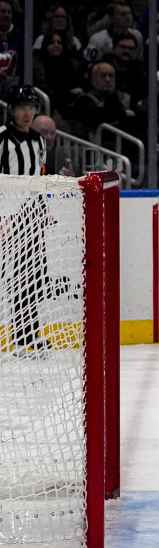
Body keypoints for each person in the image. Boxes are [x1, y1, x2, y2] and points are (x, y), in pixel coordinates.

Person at [0, 86, 48, 357]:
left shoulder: (39, 140)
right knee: (14, 276)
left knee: (34, 276)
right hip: (6, 214)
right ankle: (20, 337)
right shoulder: (2, 139)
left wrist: (41, 209)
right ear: (12, 110)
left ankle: (29, 334)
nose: (27, 113)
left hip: (30, 216)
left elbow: (39, 177)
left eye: (31, 107)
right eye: (22, 107)